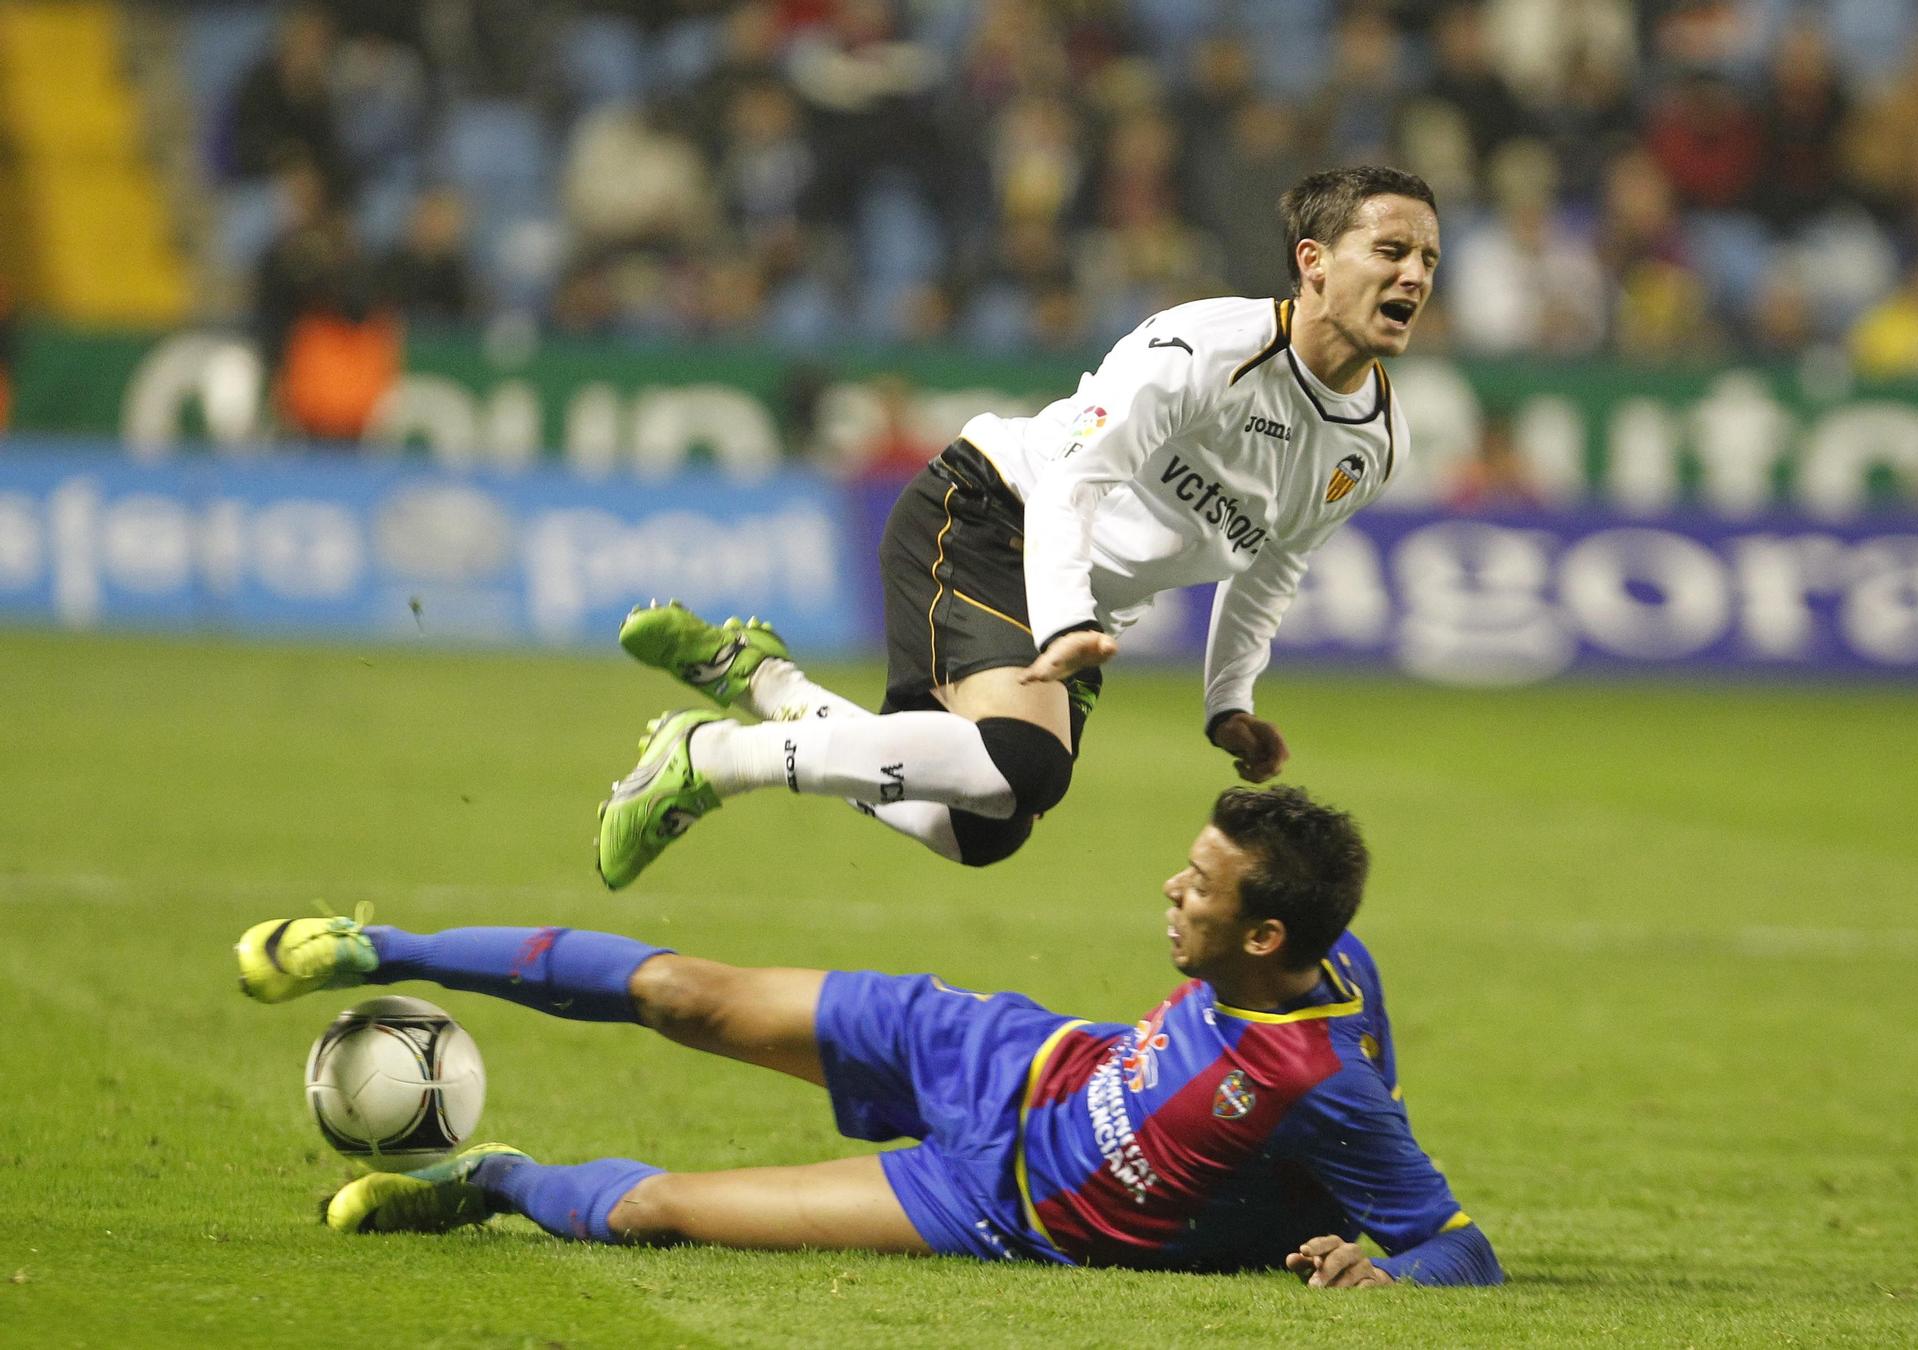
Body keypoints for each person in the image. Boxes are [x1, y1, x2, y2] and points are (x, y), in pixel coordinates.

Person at [237, 787, 1501, 1286]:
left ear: (1265, 940)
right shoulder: (1329, 969)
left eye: (1197, 887)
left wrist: (1384, 1270)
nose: (1170, 892)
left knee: (658, 1213)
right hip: (1001, 1053)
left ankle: (490, 1180)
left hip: (989, 1204)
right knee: (689, 994)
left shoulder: (1321, 1084)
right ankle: (378, 948)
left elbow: (1458, 1245)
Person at [595, 165, 1439, 885]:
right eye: (1392, 251)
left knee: (980, 830)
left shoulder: (1374, 443)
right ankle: (710, 761)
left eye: (1429, 260)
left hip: (1071, 603)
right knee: (1022, 767)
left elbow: (1271, 567)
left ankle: (769, 688)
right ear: (1314, 263)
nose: (1414, 277)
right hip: (988, 515)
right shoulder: (1202, 350)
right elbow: (1077, 478)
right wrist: (1069, 619)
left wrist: (1228, 702)